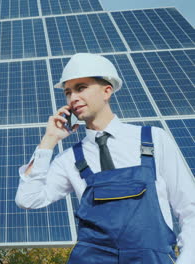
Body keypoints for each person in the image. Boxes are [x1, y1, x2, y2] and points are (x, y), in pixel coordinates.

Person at [15, 53, 195, 263]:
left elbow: (190, 208)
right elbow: (28, 199)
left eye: (81, 88)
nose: (73, 98)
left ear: (107, 90)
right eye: (68, 92)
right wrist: (48, 141)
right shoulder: (69, 158)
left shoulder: (153, 140)